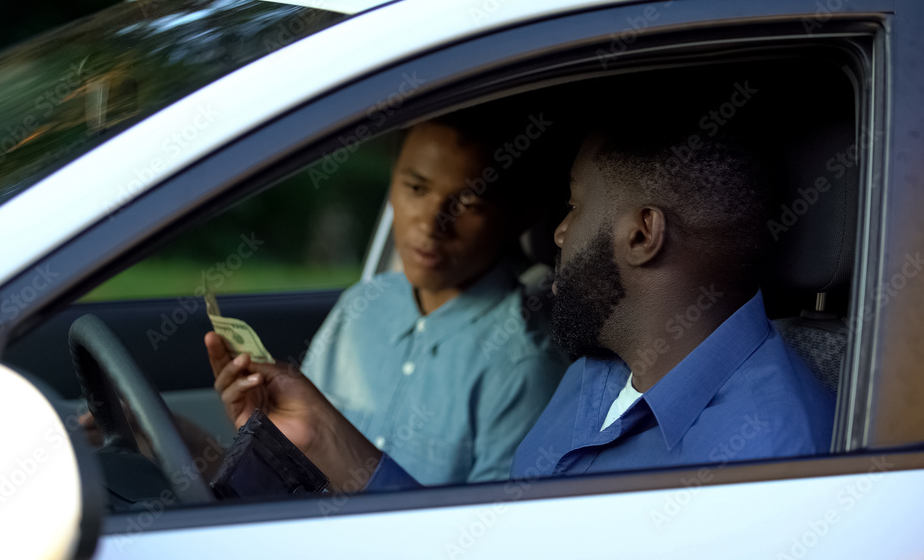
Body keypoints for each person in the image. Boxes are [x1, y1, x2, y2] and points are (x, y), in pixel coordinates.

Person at [210, 118, 835, 492]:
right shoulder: (596, 376)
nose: (557, 234)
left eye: (573, 205)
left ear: (642, 235)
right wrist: (321, 434)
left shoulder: (767, 453)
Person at [207, 112, 569, 485]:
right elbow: (294, 466)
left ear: (520, 216)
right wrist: (261, 432)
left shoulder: (525, 363)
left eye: (468, 201)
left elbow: (485, 535)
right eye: (415, 189)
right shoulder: (362, 305)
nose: (430, 225)